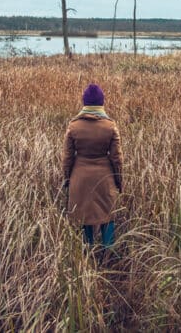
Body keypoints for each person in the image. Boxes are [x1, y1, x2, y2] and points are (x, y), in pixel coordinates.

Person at [62, 83, 123, 248]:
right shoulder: (110, 126)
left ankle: (87, 255)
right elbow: (117, 158)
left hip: (79, 178)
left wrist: (67, 180)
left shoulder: (73, 126)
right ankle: (109, 255)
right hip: (105, 178)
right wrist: (119, 181)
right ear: (101, 103)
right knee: (108, 216)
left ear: (85, 103)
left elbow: (67, 158)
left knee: (84, 218)